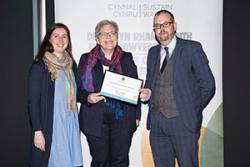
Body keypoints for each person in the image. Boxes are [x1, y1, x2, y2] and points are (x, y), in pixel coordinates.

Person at [139, 10, 216, 167]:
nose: (162, 29)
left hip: (183, 123)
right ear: (154, 30)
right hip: (157, 125)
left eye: (165, 24)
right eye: (157, 26)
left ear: (174, 26)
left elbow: (208, 85)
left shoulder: (191, 48)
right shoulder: (152, 53)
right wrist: (147, 93)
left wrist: (190, 109)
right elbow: (150, 83)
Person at [76, 20, 141, 167]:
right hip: (94, 116)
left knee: (120, 161)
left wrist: (137, 115)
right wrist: (87, 97)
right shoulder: (86, 59)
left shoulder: (126, 58)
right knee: (100, 162)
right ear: (97, 39)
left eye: (112, 33)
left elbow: (135, 88)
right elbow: (77, 89)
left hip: (123, 116)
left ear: (117, 36)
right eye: (104, 34)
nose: (108, 37)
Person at [27, 23, 83, 167]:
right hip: (51, 125)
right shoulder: (40, 67)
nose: (61, 40)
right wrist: (37, 131)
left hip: (70, 123)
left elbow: (79, 94)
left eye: (64, 36)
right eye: (56, 36)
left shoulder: (71, 65)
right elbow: (33, 102)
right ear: (49, 40)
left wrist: (89, 97)